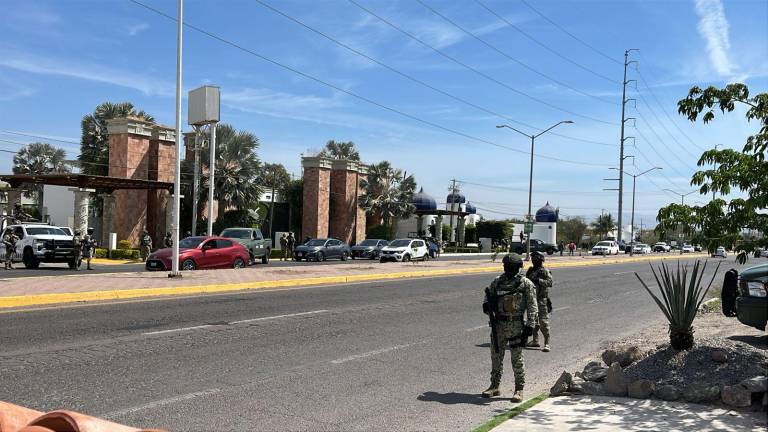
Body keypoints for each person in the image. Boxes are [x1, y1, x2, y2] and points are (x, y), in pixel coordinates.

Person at [482, 253, 538, 403]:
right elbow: (487, 301)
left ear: (518, 267)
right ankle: (494, 386)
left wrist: (530, 326)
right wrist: (487, 306)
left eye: (511, 267)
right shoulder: (497, 282)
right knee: (496, 357)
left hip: (516, 327)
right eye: (506, 266)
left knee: (516, 359)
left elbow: (533, 306)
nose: (507, 269)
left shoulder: (525, 284)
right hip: (498, 326)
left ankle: (519, 389)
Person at [526, 251, 553, 352]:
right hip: (531, 300)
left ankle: (547, 343)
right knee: (533, 321)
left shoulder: (545, 271)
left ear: (541, 260)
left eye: (536, 258)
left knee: (543, 322)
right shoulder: (530, 270)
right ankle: (535, 340)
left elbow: (550, 283)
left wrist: (539, 281)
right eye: (533, 258)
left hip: (542, 300)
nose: (534, 260)